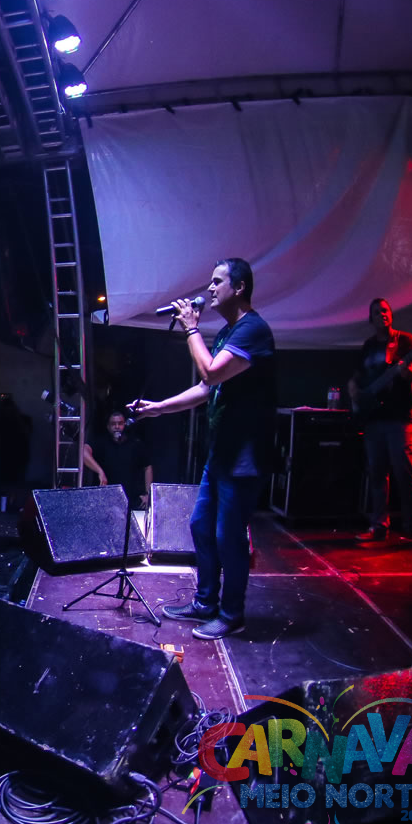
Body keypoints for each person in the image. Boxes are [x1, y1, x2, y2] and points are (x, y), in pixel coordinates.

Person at [130, 257, 276, 640]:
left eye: (216, 281)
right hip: (222, 453)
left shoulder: (253, 330)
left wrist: (191, 329)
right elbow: (207, 388)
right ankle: (206, 602)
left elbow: (209, 372)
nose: (209, 289)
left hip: (244, 455)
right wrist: (158, 408)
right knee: (200, 525)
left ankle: (231, 614)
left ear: (239, 287)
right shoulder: (229, 332)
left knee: (229, 536)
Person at [348, 298, 412, 548]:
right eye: (376, 312)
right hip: (374, 419)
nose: (381, 314)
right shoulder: (369, 346)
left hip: (400, 418)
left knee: (405, 473)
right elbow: (357, 378)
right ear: (371, 319)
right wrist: (353, 390)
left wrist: (411, 375)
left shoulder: (407, 342)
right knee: (377, 473)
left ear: (391, 314)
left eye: (384, 310)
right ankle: (378, 526)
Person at [83, 411, 154, 509]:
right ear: (108, 426)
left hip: (132, 499)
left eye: (120, 423)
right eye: (113, 424)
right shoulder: (101, 442)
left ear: (125, 424)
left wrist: (147, 494)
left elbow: (147, 467)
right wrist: (100, 471)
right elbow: (84, 452)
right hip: (106, 499)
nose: (117, 427)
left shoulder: (135, 444)